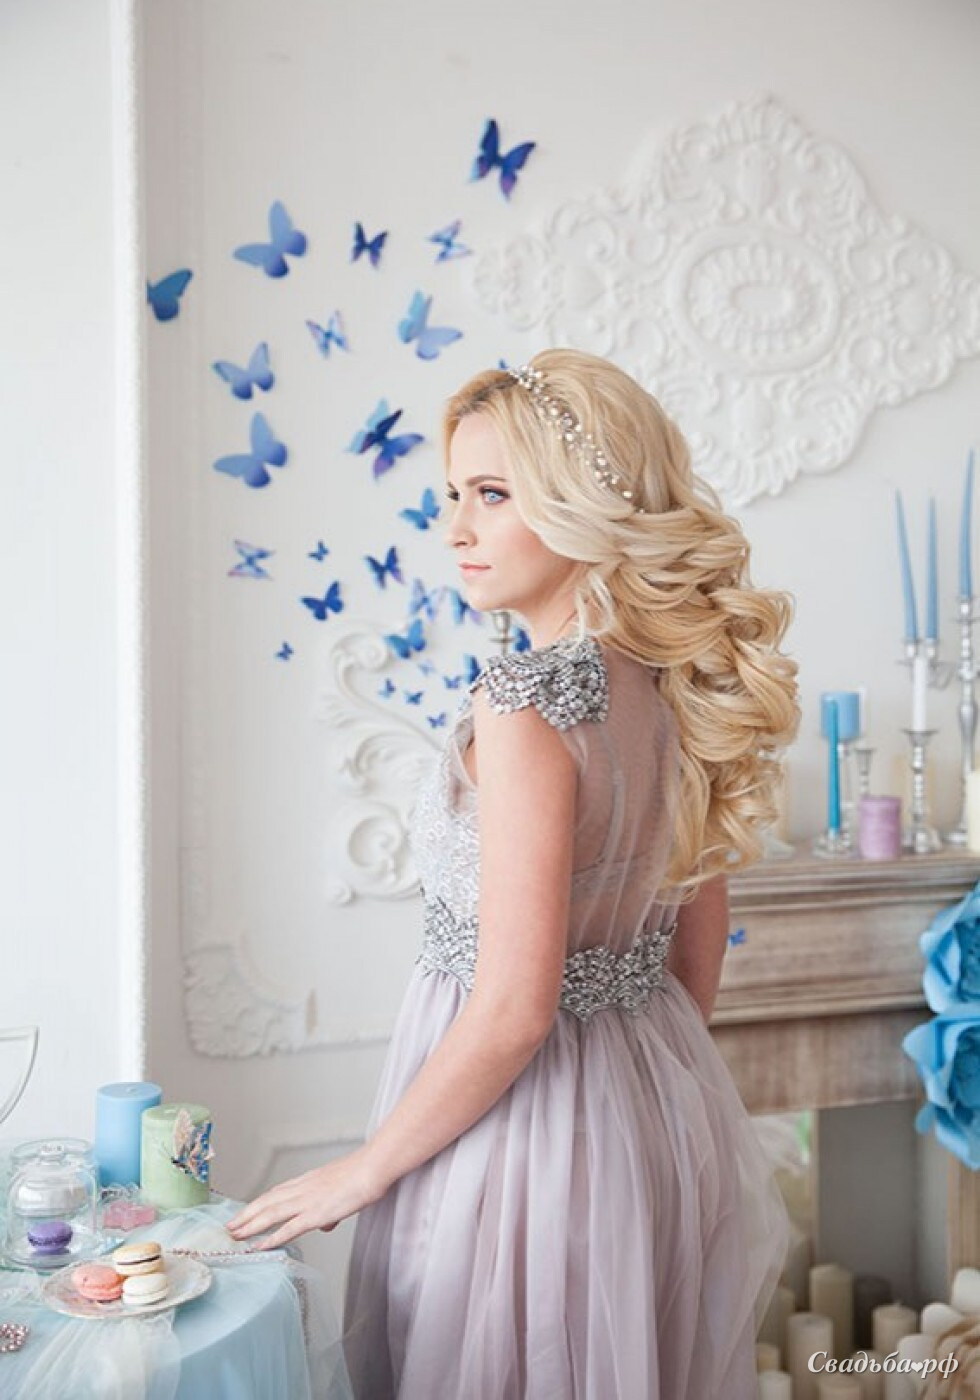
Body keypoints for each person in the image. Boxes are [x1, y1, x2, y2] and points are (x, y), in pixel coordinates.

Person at [228, 349, 802, 1398]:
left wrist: (364, 1171)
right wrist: (641, 1094)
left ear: (585, 502)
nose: (455, 527)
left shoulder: (524, 703)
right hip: (651, 1101)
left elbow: (511, 1010)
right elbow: (695, 956)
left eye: (491, 494)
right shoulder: (681, 687)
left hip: (518, 1129)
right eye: (453, 494)